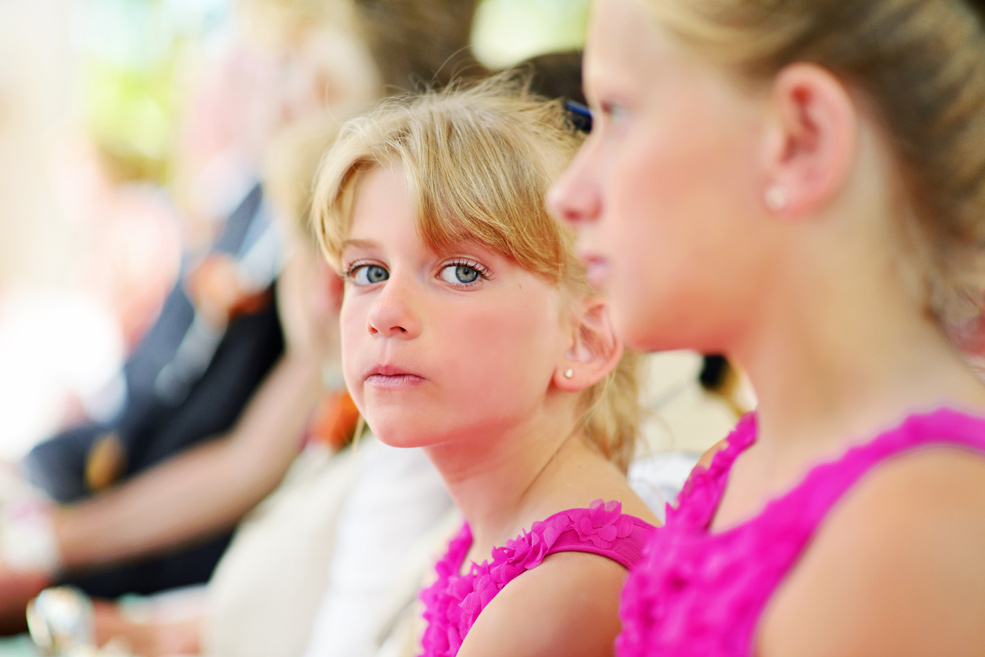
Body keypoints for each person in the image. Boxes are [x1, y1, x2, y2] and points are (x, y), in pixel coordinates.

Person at [0, 0, 482, 634]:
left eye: (318, 87)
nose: (279, 100)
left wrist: (55, 548)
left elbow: (249, 467)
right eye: (281, 68)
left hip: (148, 556)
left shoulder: (335, 287)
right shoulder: (260, 204)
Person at [547, 0, 985, 655]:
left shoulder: (912, 533)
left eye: (617, 113)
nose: (568, 192)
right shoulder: (737, 465)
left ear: (801, 137)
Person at [311, 75, 660, 657]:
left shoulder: (563, 591)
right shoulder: (487, 536)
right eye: (368, 272)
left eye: (461, 271)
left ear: (584, 340)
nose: (386, 313)